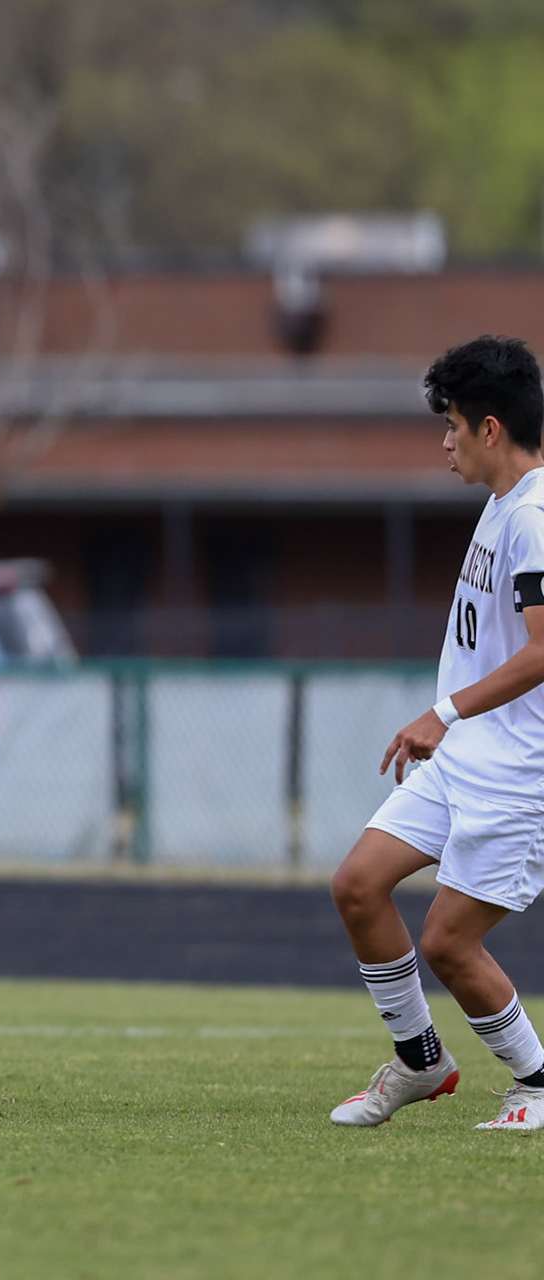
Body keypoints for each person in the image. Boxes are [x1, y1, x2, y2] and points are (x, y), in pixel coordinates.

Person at [329, 334, 544, 1130]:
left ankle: (540, 1081)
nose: (444, 441)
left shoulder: (537, 517)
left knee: (450, 944)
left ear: (491, 429)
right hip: (466, 760)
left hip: (518, 772)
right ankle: (423, 1062)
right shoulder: (502, 506)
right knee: (358, 885)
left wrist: (442, 712)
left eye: (452, 424)